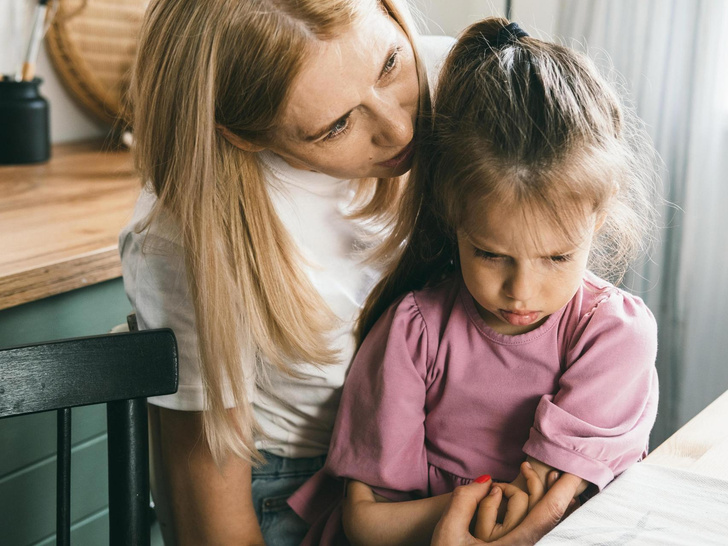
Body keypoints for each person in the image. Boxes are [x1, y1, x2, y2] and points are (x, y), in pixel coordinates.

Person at [120, 1, 578, 544]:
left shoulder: (456, 85)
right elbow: (203, 481)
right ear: (245, 135)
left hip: (471, 450)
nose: (400, 125)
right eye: (335, 126)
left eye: (388, 65)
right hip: (300, 489)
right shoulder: (188, 241)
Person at [288, 17, 661, 545]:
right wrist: (473, 504)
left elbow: (550, 506)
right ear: (452, 215)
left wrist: (458, 509)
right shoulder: (411, 332)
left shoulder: (613, 334)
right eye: (490, 254)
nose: (520, 292)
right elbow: (367, 524)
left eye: (556, 257)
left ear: (597, 221)